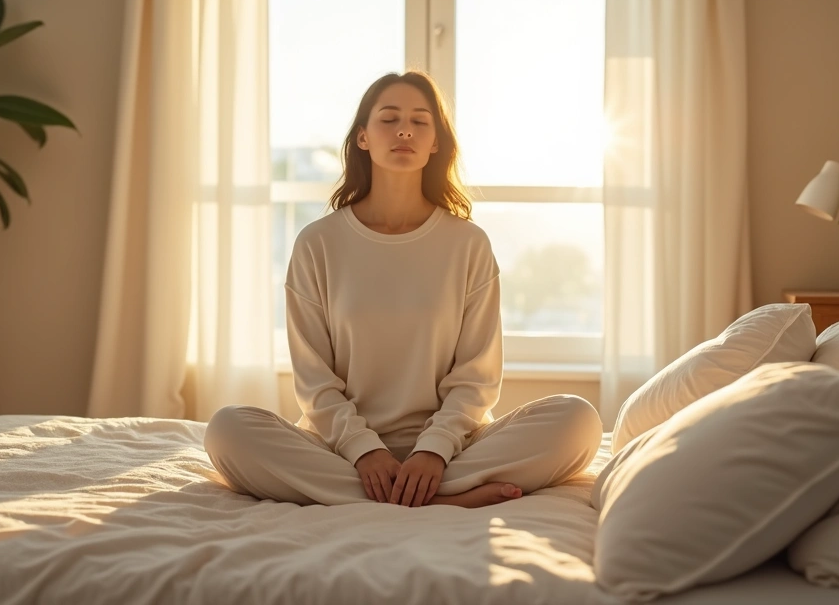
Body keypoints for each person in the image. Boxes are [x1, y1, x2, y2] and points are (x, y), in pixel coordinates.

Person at [205, 71, 602, 508]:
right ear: (363, 138)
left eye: (420, 121)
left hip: (452, 451)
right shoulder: (318, 243)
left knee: (578, 420)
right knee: (227, 431)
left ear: (435, 142)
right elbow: (314, 380)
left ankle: (400, 492)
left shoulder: (467, 245)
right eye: (389, 119)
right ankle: (443, 499)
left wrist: (434, 449)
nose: (404, 130)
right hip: (341, 450)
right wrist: (364, 449)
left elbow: (476, 377)